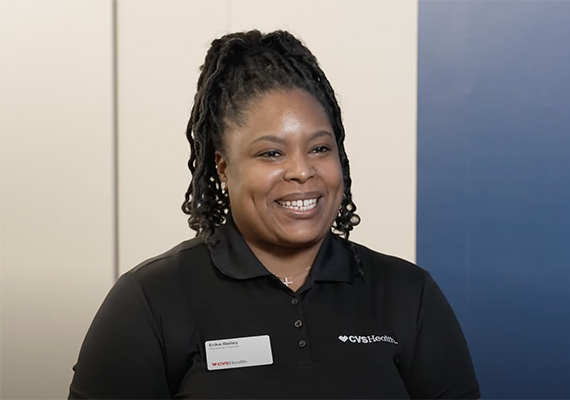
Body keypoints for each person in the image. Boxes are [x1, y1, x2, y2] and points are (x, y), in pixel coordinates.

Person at [69, 30, 480, 399]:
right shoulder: (151, 300)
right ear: (224, 169)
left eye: (320, 148)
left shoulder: (409, 294)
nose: (302, 170)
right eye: (271, 153)